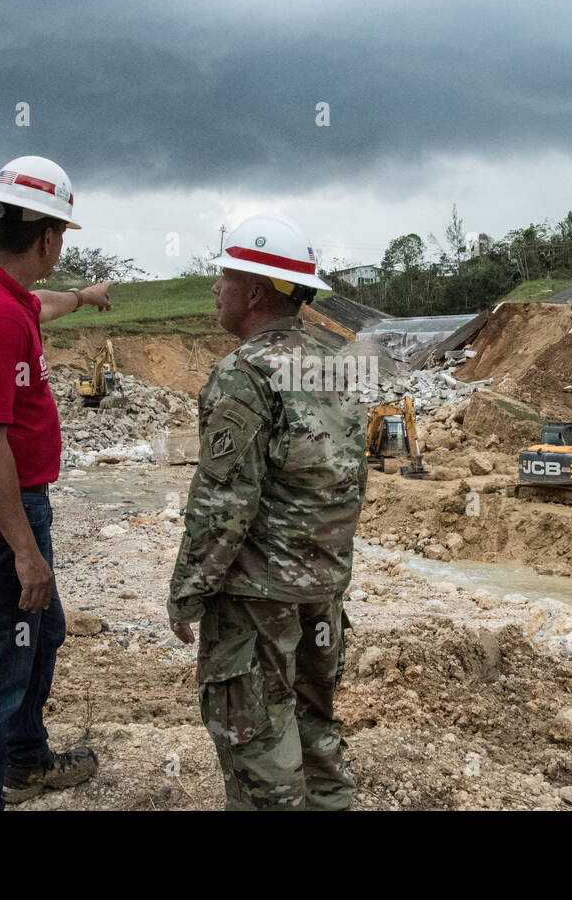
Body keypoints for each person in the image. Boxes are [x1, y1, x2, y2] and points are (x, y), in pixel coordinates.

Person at [167, 213, 368, 810]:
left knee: (257, 743)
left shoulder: (244, 374)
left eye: (224, 278)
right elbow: (345, 482)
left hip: (258, 595)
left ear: (255, 292)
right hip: (323, 588)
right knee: (314, 730)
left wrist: (188, 592)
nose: (214, 289)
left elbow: (224, 501)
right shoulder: (337, 368)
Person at [0, 155, 112, 810]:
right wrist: (24, 549)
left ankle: (24, 759)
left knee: (41, 632)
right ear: (47, 238)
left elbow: (40, 303)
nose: (60, 247)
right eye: (61, 235)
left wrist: (85, 298)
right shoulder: (0, 319)